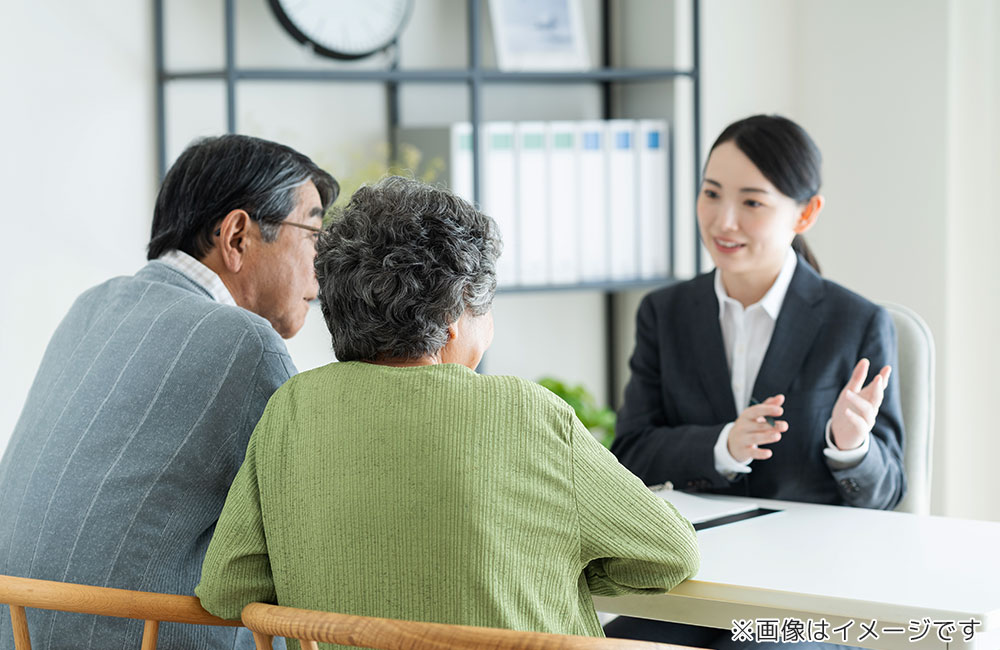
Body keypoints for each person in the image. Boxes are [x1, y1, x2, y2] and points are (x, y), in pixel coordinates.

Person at [195, 176, 700, 640]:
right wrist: (553, 559)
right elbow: (669, 553)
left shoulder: (291, 409)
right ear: (457, 312)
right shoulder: (522, 411)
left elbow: (229, 587)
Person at [0, 134, 338, 650]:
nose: (323, 263)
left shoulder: (90, 307)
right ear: (238, 236)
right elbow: (319, 541)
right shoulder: (246, 344)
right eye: (313, 233)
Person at [605, 115, 905, 647]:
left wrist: (850, 445)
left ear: (806, 213)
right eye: (711, 194)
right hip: (693, 584)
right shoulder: (664, 313)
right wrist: (722, 444)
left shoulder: (855, 322)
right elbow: (629, 452)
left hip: (806, 592)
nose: (724, 221)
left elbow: (886, 491)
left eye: (752, 202)